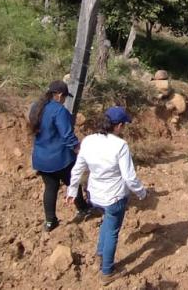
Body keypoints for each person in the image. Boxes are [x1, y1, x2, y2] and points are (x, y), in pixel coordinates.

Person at [66, 106, 147, 285]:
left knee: (107, 222)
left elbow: (79, 168)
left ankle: (100, 254)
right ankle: (107, 272)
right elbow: (129, 177)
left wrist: (72, 190)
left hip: (95, 195)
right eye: (123, 125)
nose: (123, 128)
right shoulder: (120, 145)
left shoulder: (88, 140)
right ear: (117, 126)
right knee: (112, 231)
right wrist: (142, 192)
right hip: (114, 197)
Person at [29, 80, 89, 232]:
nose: (64, 100)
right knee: (72, 182)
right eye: (64, 97)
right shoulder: (59, 110)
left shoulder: (36, 107)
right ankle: (83, 209)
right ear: (60, 95)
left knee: (50, 188)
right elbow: (67, 135)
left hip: (41, 157)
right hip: (60, 158)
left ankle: (50, 222)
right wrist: (78, 149)